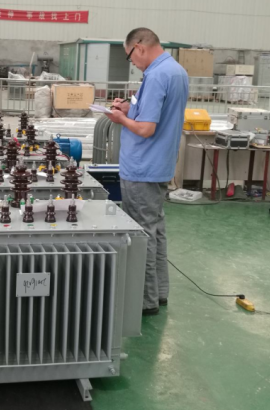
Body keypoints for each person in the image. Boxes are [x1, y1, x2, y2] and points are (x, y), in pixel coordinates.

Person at [105, 28, 188, 316]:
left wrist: (119, 118)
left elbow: (146, 128)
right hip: (160, 165)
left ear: (139, 47)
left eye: (130, 57)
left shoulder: (156, 76)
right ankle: (159, 292)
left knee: (142, 234)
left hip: (142, 167)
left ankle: (145, 300)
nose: (133, 63)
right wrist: (128, 108)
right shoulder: (175, 70)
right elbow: (152, 113)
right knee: (155, 230)